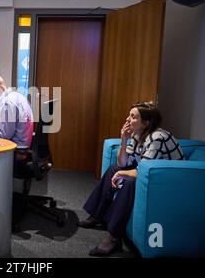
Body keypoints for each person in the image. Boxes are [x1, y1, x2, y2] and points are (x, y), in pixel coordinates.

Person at [78, 101, 184, 257]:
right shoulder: (137, 133)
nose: (128, 119)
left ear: (147, 122)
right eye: (129, 115)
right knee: (114, 169)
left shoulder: (157, 137)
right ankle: (97, 215)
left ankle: (113, 238)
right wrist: (123, 139)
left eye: (133, 117)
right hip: (149, 174)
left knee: (128, 182)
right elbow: (122, 163)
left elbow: (145, 172)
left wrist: (123, 174)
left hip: (167, 183)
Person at [0, 74, 33, 148]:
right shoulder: (16, 96)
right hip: (23, 145)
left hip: (16, 150)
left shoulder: (7, 103)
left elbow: (3, 136)